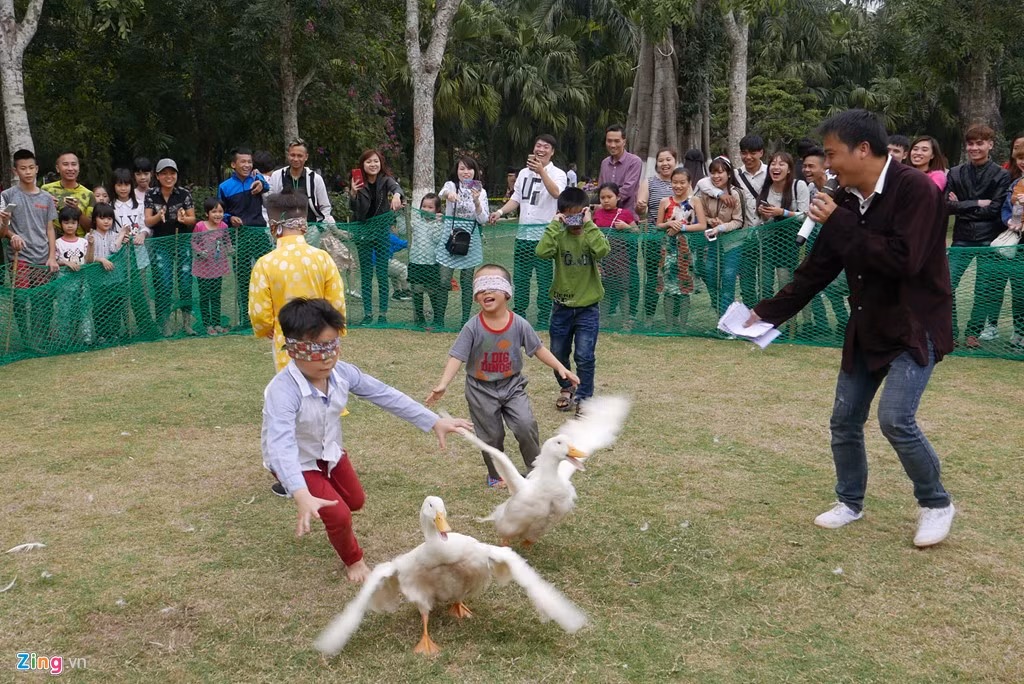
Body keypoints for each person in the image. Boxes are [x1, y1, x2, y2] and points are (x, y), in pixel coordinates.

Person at [747, 109, 955, 548]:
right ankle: (850, 501)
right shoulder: (844, 199)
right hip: (868, 322)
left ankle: (936, 503)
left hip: (914, 324)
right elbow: (818, 268)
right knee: (844, 420)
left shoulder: (916, 190)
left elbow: (905, 260)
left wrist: (837, 222)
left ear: (863, 149)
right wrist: (766, 313)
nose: (827, 166)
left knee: (895, 419)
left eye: (831, 154)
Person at [261, 296, 472, 582]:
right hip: (297, 462)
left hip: (330, 451)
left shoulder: (342, 373)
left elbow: (384, 394)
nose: (327, 357)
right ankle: (353, 561)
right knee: (339, 515)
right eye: (316, 349)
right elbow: (281, 445)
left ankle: (330, 503)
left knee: (356, 501)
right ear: (293, 350)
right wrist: (300, 492)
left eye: (332, 346)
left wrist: (433, 421)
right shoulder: (282, 392)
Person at [427, 264, 578, 488]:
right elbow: (457, 356)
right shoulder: (472, 327)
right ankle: (496, 475)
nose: (486, 291)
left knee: (526, 425)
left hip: (512, 386)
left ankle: (537, 472)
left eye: (492, 285)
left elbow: (537, 348)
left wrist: (560, 367)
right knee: (491, 436)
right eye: (480, 288)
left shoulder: (519, 324)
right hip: (480, 390)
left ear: (507, 292)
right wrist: (443, 384)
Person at [536, 187, 610, 414]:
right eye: (569, 216)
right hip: (562, 307)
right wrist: (554, 225)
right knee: (558, 353)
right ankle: (567, 387)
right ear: (561, 215)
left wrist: (589, 224)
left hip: (588, 308)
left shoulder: (591, 234)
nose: (574, 221)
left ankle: (584, 397)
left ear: (585, 212)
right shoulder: (559, 236)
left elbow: (602, 251)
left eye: (578, 215)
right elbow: (542, 252)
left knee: (584, 355)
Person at [489, 134, 568, 327]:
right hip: (523, 237)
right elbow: (516, 198)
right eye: (538, 146)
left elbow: (557, 193)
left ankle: (543, 317)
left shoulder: (558, 173)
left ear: (552, 152)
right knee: (521, 279)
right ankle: (520, 314)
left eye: (546, 147)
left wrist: (542, 172)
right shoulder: (523, 173)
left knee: (544, 279)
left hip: (545, 238)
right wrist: (500, 212)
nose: (541, 150)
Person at [945, 123, 1011, 347]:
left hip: (989, 238)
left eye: (979, 143)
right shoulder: (955, 172)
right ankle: (951, 332)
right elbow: (946, 205)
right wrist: (977, 203)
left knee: (984, 289)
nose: (974, 148)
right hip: (961, 238)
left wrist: (962, 205)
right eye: (970, 143)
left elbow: (994, 210)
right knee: (947, 284)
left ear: (990, 145)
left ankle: (973, 333)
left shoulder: (1002, 175)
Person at [0, 149, 59, 350]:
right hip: (19, 258)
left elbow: (50, 229)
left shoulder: (46, 198)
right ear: (15, 171)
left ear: (37, 169)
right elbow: (3, 229)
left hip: (42, 258)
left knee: (42, 300)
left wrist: (52, 257)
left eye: (31, 167)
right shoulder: (7, 195)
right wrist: (12, 235)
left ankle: (39, 340)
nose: (27, 172)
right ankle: (26, 341)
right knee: (20, 299)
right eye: (23, 168)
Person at [349, 148, 404, 325]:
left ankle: (382, 315)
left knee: (382, 273)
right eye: (368, 161)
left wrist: (396, 195)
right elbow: (355, 209)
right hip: (363, 232)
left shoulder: (386, 180)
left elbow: (396, 188)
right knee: (366, 274)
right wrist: (353, 193)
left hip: (381, 231)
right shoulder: (358, 182)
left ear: (380, 163)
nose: (373, 164)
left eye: (376, 161)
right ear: (362, 165)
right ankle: (367, 314)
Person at [144, 158, 197, 336]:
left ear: (176, 175)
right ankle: (164, 324)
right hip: (160, 244)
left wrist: (183, 219)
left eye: (172, 173)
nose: (169, 177)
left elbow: (192, 219)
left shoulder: (184, 194)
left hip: (182, 242)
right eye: (164, 173)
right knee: (164, 284)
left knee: (185, 283)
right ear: (157, 176)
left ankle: (187, 324)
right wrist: (159, 215)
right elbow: (148, 221)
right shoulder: (151, 194)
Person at [800, 147, 850, 338]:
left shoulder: (839, 187)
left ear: (824, 168)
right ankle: (839, 323)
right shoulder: (811, 188)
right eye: (804, 166)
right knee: (819, 284)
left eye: (811, 166)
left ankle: (849, 324)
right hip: (819, 242)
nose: (806, 170)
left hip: (843, 244)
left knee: (837, 286)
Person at [218, 147, 270, 329]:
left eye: (249, 162)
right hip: (238, 236)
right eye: (243, 162)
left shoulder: (256, 180)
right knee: (243, 278)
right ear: (233, 164)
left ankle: (269, 314)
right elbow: (219, 212)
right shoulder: (224, 187)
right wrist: (230, 218)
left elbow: (268, 187)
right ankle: (246, 318)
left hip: (259, 234)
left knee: (268, 274)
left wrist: (261, 182)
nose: (247, 165)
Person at [598, 125, 644, 322]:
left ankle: (631, 313)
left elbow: (628, 189)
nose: (613, 144)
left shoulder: (634, 161)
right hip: (605, 226)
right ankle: (609, 310)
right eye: (609, 141)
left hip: (626, 223)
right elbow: (602, 188)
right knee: (606, 269)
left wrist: (609, 199)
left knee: (629, 270)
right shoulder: (604, 163)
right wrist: (602, 202)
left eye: (617, 141)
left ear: (624, 141)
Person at [436, 156, 489, 326]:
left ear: (475, 171)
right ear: (457, 171)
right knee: (444, 281)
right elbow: (442, 193)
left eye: (469, 168)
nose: (466, 172)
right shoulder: (452, 185)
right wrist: (449, 194)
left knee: (467, 282)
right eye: (462, 168)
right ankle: (439, 320)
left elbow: (483, 219)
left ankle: (465, 321)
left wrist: (476, 201)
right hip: (450, 237)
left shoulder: (481, 191)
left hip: (470, 240)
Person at [655, 167, 707, 330]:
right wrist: (669, 223)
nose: (678, 186)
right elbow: (658, 225)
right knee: (668, 290)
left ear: (689, 183)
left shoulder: (695, 201)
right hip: (668, 250)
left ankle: (683, 325)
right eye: (675, 182)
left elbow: (702, 225)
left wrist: (682, 228)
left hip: (687, 250)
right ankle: (669, 325)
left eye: (682, 182)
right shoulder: (665, 201)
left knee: (685, 289)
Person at [112, 168, 158, 341]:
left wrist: (143, 234)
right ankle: (123, 328)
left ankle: (144, 328)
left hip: (138, 254)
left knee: (141, 292)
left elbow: (146, 226)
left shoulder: (139, 205)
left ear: (131, 186)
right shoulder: (110, 206)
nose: (123, 188)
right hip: (118, 256)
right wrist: (119, 238)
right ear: (113, 186)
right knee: (120, 294)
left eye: (126, 184)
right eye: (119, 185)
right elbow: (107, 228)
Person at [695, 156, 745, 316]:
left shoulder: (736, 193)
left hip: (732, 243)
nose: (716, 176)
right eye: (713, 173)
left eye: (720, 172)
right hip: (712, 242)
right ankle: (720, 314)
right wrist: (711, 221)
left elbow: (738, 221)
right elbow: (701, 215)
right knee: (710, 275)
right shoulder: (706, 193)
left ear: (729, 174)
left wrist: (722, 227)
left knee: (729, 278)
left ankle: (725, 321)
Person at [756, 151, 810, 299]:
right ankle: (765, 311)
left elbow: (805, 216)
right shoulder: (765, 188)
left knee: (784, 281)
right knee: (765, 283)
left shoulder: (799, 186)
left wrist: (782, 212)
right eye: (773, 164)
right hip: (767, 241)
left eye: (781, 164)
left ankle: (788, 314)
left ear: (789, 169)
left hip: (788, 241)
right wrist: (765, 214)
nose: (776, 167)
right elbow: (764, 221)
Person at [635, 147, 678, 325]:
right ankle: (649, 317)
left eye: (668, 160)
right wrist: (640, 207)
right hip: (653, 237)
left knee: (675, 277)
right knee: (653, 277)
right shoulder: (649, 182)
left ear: (675, 161)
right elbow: (641, 210)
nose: (664, 163)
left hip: (677, 239)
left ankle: (674, 319)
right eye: (661, 160)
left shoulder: (681, 181)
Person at [591, 182, 639, 319]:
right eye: (602, 197)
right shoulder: (597, 213)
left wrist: (626, 227)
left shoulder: (625, 214)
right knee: (604, 290)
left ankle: (626, 321)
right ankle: (603, 321)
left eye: (609, 197)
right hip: (602, 259)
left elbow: (637, 231)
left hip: (620, 258)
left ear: (618, 197)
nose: (606, 200)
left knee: (623, 290)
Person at [85, 203, 130, 344]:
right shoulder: (89, 236)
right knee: (100, 308)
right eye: (102, 218)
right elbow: (88, 259)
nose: (106, 221)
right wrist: (101, 259)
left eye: (109, 218)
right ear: (95, 219)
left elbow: (114, 249)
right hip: (97, 280)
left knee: (115, 306)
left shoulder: (115, 235)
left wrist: (122, 235)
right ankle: (101, 335)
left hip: (115, 278)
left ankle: (114, 333)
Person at [734, 135, 769, 308]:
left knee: (766, 282)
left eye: (752, 153)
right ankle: (750, 313)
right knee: (746, 281)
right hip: (745, 237)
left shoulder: (771, 172)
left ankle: (766, 315)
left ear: (761, 153)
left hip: (769, 236)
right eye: (744, 153)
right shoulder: (735, 175)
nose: (748, 157)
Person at [268, 138, 334, 224]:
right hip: (284, 227)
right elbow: (271, 204)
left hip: (311, 227)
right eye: (292, 155)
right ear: (288, 155)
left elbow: (325, 207)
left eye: (300, 156)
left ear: (306, 157)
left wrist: (322, 226)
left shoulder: (315, 179)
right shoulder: (277, 176)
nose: (296, 159)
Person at [192, 198, 233, 335]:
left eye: (220, 211)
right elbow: (193, 242)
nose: (218, 214)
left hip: (217, 267)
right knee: (205, 296)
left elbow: (227, 241)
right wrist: (200, 251)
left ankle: (217, 323)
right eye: (214, 211)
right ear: (206, 213)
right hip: (203, 268)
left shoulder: (224, 226)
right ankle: (207, 324)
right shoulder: (200, 226)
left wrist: (230, 249)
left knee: (216, 296)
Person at [53, 205, 89, 346]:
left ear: (78, 224)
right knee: (64, 311)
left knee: (84, 309)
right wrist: (65, 263)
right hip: (64, 284)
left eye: (73, 223)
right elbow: (54, 261)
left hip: (82, 282)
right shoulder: (57, 243)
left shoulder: (84, 242)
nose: (70, 226)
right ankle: (65, 340)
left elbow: (89, 259)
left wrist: (92, 245)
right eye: (66, 222)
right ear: (61, 223)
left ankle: (86, 338)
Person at [999, 148, 1024, 350]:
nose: (1023, 162)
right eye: (1021, 158)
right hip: (1019, 241)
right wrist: (1010, 221)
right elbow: (1007, 210)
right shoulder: (1016, 184)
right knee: (1018, 289)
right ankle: (1019, 331)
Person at [409, 193, 446, 327]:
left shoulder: (439, 224)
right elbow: (403, 229)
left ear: (437, 210)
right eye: (424, 206)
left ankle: (437, 319)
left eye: (430, 207)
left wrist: (438, 222)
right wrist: (401, 213)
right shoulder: (416, 222)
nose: (426, 209)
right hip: (416, 262)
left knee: (432, 291)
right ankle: (420, 319)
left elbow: (437, 239)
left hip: (431, 262)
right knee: (417, 290)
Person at [42, 150, 95, 234]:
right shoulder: (46, 190)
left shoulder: (89, 194)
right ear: (57, 168)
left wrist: (78, 211)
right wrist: (48, 207)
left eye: (74, 164)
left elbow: (91, 228)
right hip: (51, 239)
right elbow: (37, 219)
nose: (70, 168)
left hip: (79, 241)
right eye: (65, 164)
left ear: (79, 167)